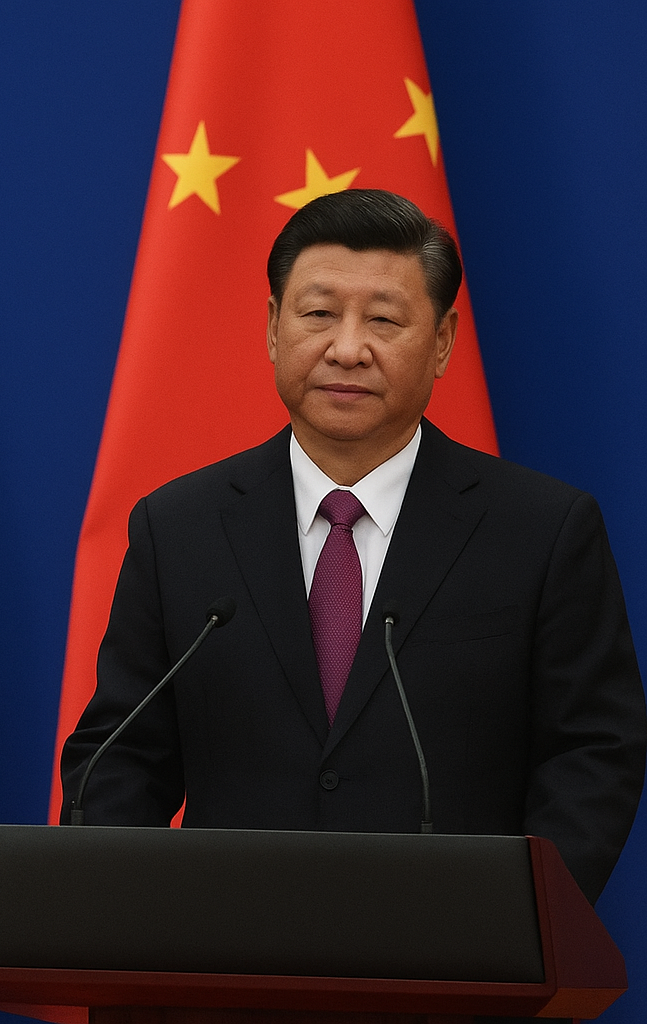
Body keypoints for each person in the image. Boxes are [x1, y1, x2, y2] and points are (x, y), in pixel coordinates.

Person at [61, 188, 646, 905]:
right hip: (223, 962)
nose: (346, 348)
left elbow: (592, 754)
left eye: (383, 320)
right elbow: (121, 761)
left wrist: (519, 920)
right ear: (274, 328)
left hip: (456, 972)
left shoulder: (542, 528)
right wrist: (126, 923)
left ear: (442, 342)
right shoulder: (179, 526)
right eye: (317, 315)